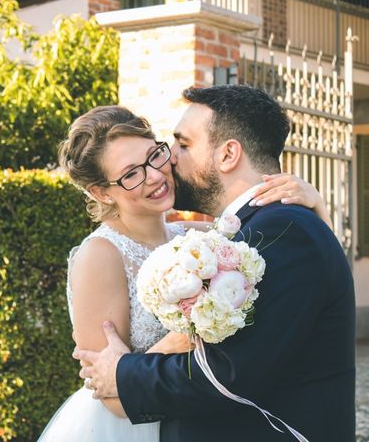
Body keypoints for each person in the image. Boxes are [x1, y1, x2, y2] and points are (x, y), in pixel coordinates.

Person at [39, 101, 333, 441]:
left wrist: (317, 207)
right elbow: (109, 395)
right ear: (101, 191)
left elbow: (297, 284)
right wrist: (185, 336)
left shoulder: (195, 237)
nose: (154, 175)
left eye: (154, 155)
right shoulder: (100, 255)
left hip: (196, 419)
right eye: (132, 174)